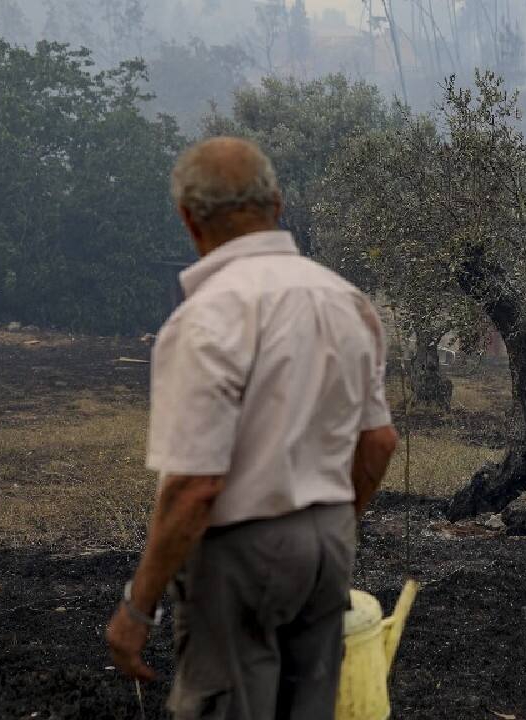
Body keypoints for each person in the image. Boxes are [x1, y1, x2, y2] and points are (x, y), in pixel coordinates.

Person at [106, 136, 399, 720]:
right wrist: (329, 526)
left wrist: (137, 609)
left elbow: (195, 487)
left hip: (241, 556)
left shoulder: (206, 317)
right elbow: (378, 442)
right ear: (278, 204)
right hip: (328, 546)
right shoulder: (347, 301)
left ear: (189, 218)